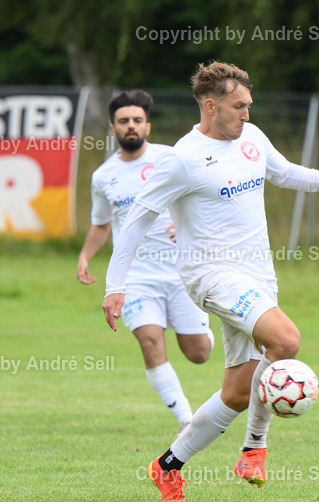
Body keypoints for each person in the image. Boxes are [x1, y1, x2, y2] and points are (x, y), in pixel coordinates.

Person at [101, 62, 319, 502]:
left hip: (258, 274)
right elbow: (138, 220)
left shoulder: (251, 137)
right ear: (210, 105)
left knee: (239, 393)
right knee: (286, 341)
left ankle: (167, 466)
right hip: (211, 275)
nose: (247, 113)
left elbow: (284, 172)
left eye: (248, 105)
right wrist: (115, 285)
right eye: (238, 106)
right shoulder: (181, 158)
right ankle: (254, 449)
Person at [77, 90, 213, 431]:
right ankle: (186, 419)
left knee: (198, 354)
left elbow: (203, 197)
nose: (131, 126)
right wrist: (85, 256)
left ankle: (209, 325)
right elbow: (101, 224)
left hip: (181, 271)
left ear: (148, 126)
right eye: (123, 121)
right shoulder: (103, 177)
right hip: (136, 277)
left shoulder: (170, 159)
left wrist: (189, 226)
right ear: (113, 130)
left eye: (137, 120)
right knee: (150, 341)